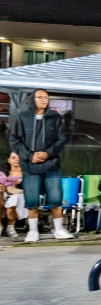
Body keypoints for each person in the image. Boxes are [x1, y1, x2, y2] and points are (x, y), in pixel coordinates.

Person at [7, 88, 71, 242]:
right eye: (41, 97)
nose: (44, 100)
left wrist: (47, 153)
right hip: (30, 166)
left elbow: (61, 140)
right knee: (31, 201)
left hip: (51, 165)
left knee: (56, 199)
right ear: (33, 100)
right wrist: (30, 156)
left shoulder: (54, 117)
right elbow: (15, 141)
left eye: (47, 97)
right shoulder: (23, 118)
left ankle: (59, 229)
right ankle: (33, 231)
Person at [0, 152, 27, 238]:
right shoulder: (3, 172)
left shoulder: (26, 172)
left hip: (19, 193)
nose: (16, 159)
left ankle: (10, 227)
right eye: (13, 157)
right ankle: (0, 225)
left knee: (13, 201)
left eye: (18, 157)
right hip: (3, 192)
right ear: (9, 160)